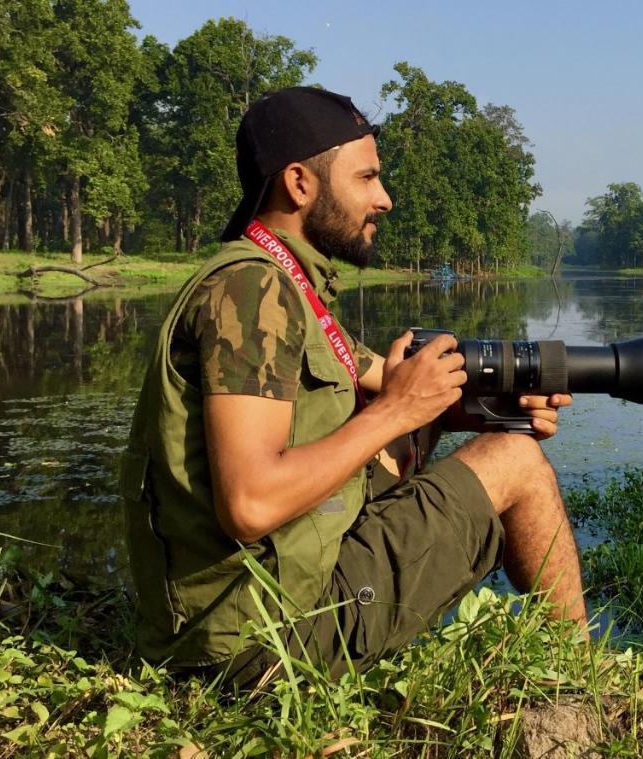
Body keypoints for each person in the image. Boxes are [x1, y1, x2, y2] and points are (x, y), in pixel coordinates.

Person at [121, 87, 586, 686]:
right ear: (299, 182)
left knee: (492, 438)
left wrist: (472, 410)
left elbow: (385, 383)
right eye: (367, 178)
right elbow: (250, 503)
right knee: (516, 461)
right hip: (260, 640)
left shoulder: (288, 288)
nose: (384, 200)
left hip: (247, 613)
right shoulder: (250, 291)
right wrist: (396, 411)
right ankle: (584, 675)